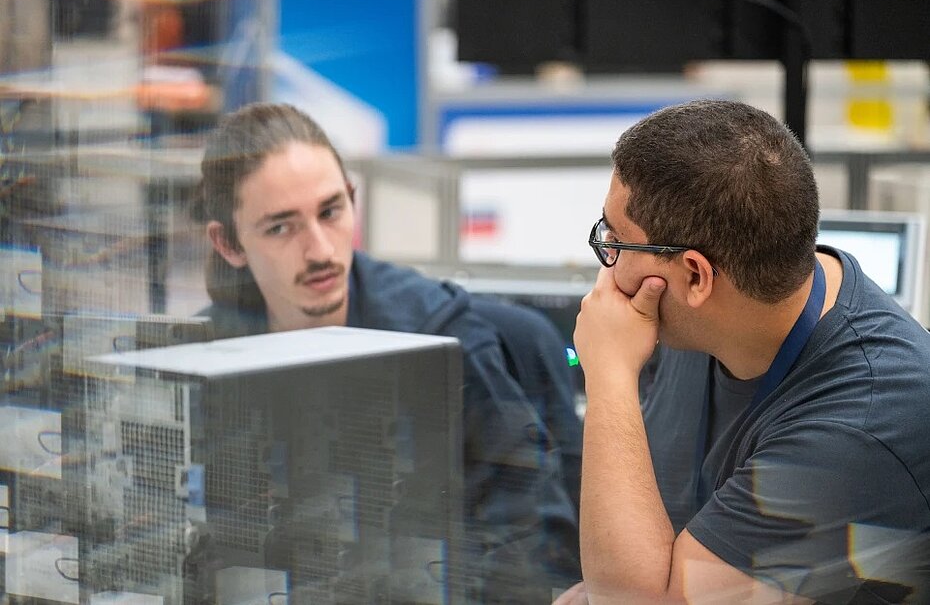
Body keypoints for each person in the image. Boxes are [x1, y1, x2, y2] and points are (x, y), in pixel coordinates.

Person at [193, 102, 581, 601]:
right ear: (228, 243)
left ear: (353, 199)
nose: (321, 251)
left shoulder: (436, 340)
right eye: (281, 227)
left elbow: (527, 535)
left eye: (331, 212)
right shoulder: (209, 356)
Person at [558, 99, 930, 604]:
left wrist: (608, 376)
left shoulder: (860, 425)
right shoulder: (702, 319)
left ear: (694, 275)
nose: (607, 272)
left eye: (617, 243)